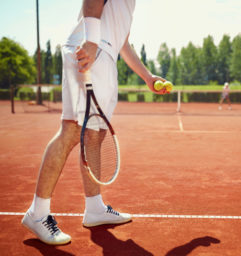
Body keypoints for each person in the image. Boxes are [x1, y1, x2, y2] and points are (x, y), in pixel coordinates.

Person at [21, 0, 167, 245]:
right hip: (90, 50)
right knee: (71, 129)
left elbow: (124, 43)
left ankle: (94, 208)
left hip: (105, 55)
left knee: (95, 135)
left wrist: (148, 77)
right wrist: (91, 41)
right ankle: (37, 213)